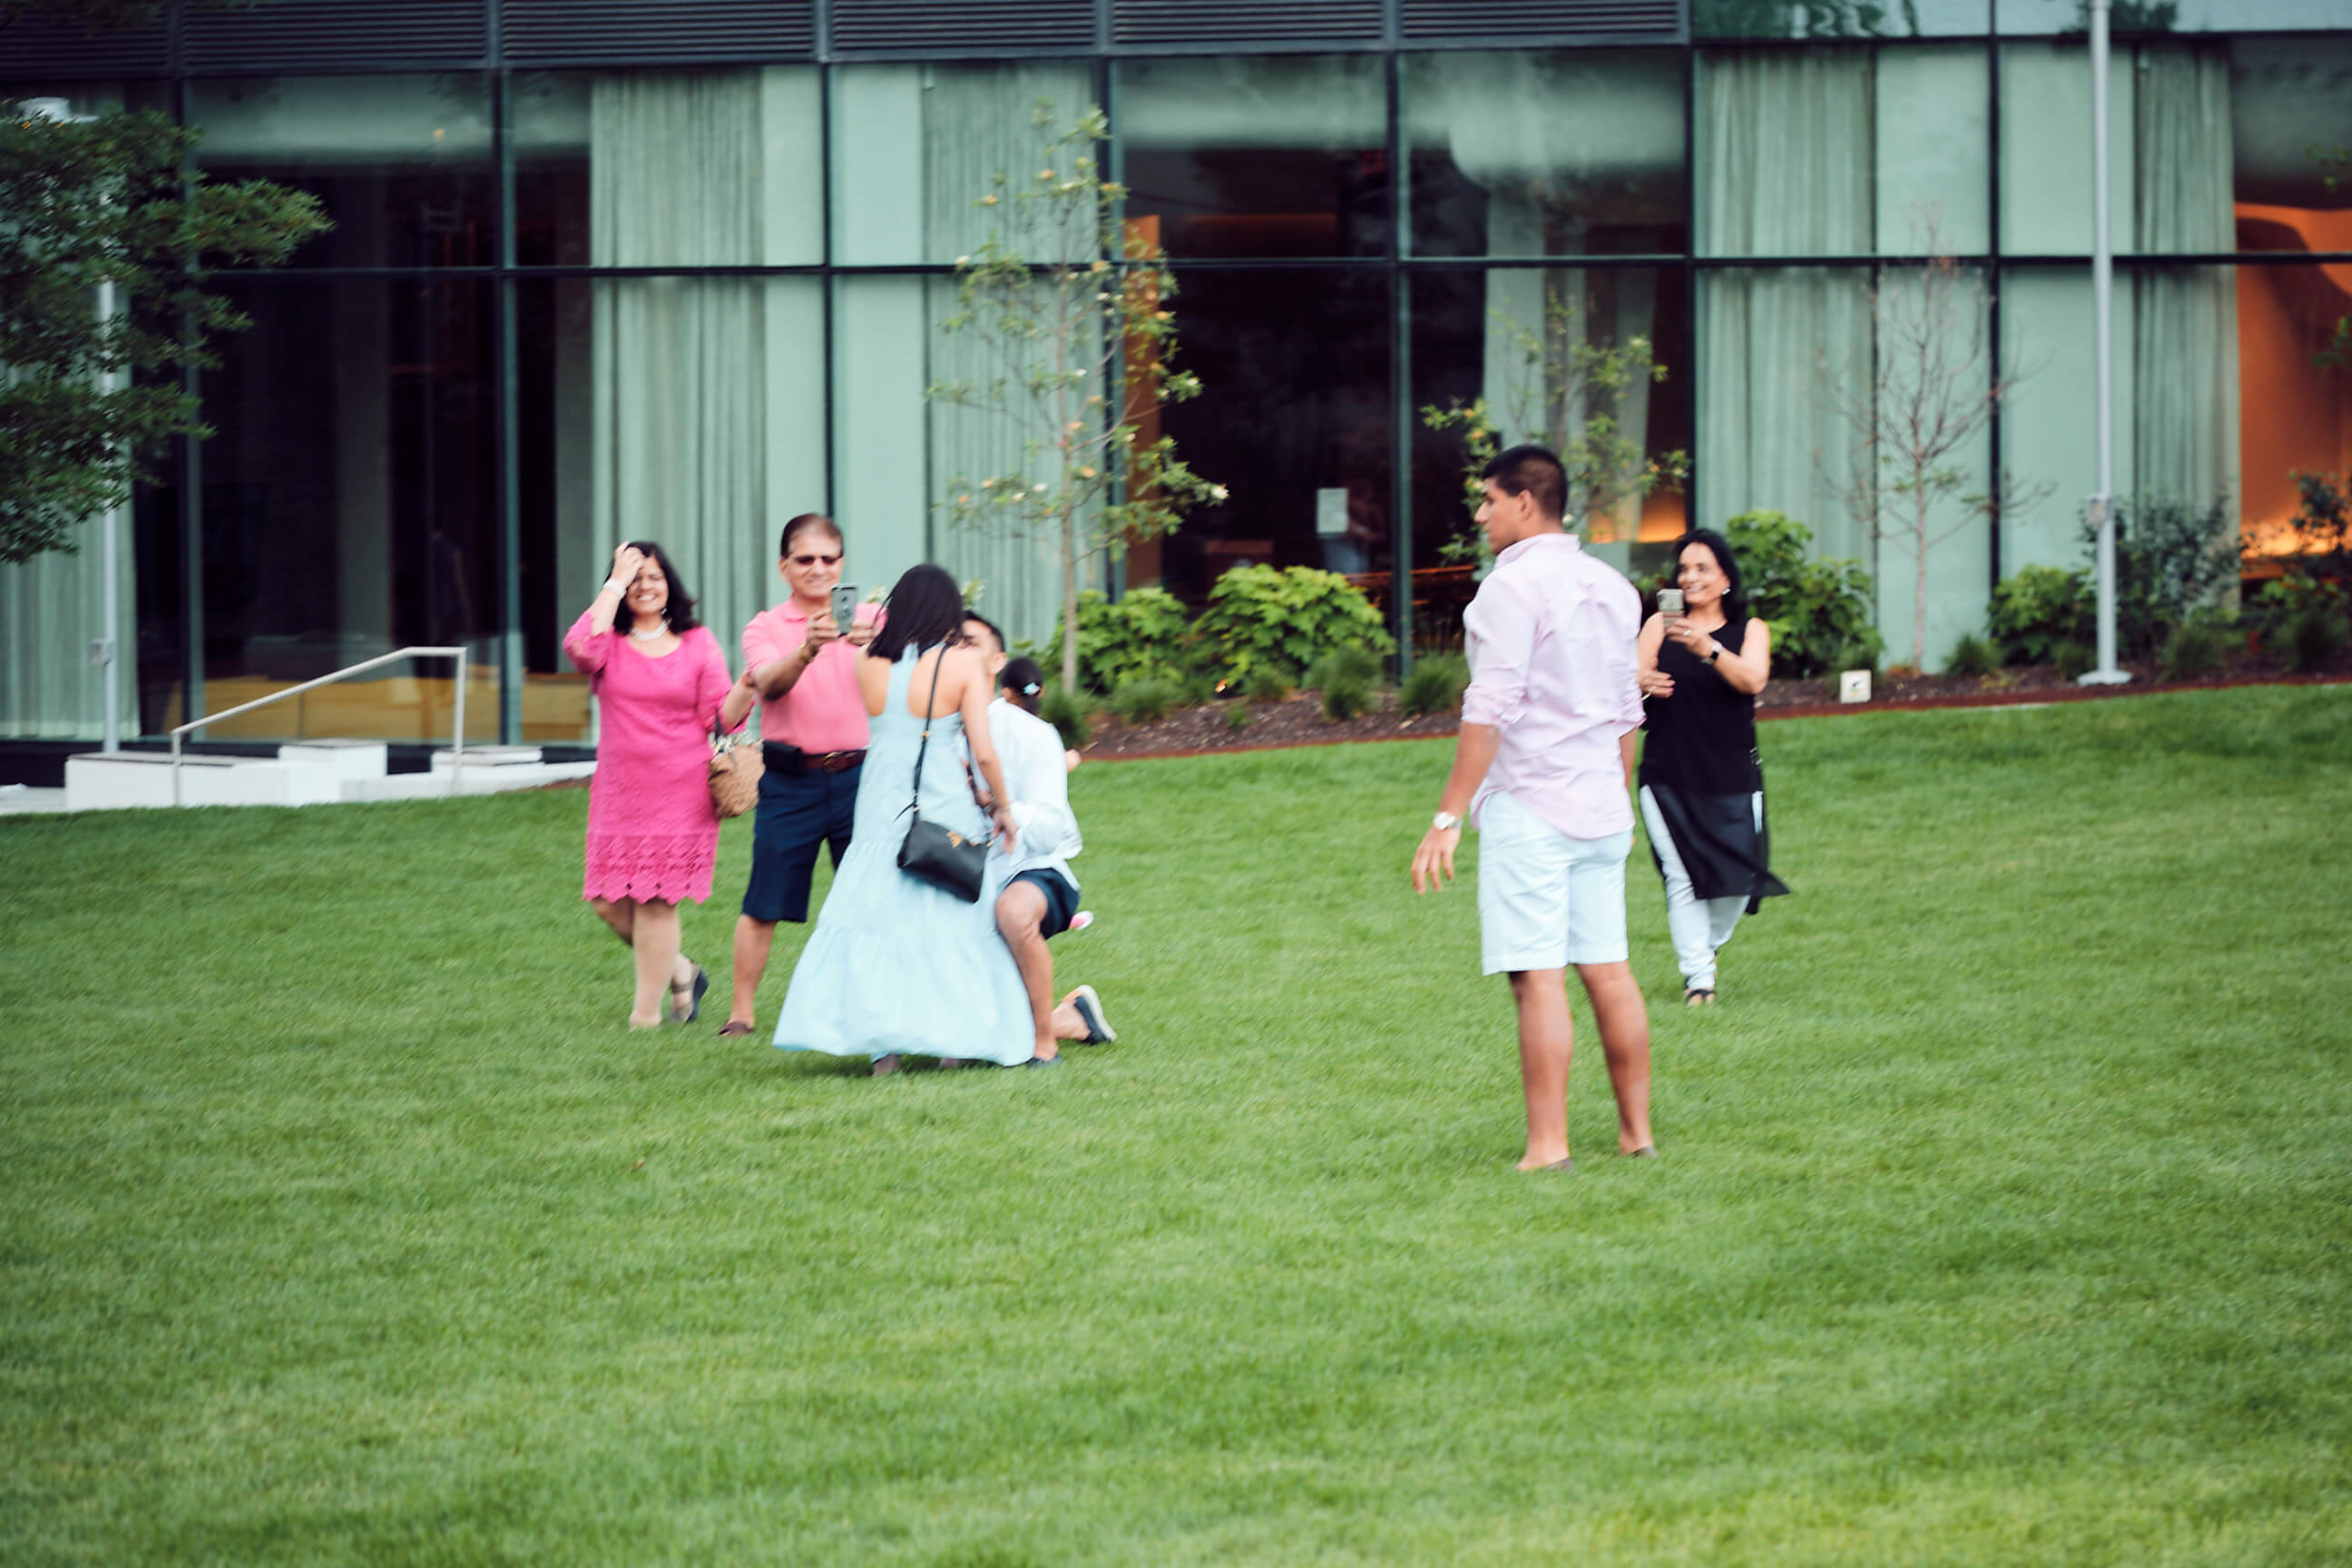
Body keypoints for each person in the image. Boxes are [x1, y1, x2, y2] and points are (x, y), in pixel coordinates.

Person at [1410, 445, 1657, 1171]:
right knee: (1609, 970)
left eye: (1488, 500)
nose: (1481, 515)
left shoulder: (1507, 591)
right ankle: (1635, 1134)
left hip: (1534, 808)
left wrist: (1447, 817)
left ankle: (1548, 1148)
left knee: (1538, 978)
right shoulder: (1613, 587)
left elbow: (1488, 710)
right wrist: (1618, 798)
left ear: (1525, 501)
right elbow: (1626, 711)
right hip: (1600, 806)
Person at [770, 564, 1040, 1072]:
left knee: (878, 912)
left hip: (879, 795)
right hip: (939, 796)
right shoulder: (962, 662)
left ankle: (883, 1050)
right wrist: (1002, 806)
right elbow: (983, 752)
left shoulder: (866, 659)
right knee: (949, 914)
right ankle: (951, 1046)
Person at [565, 541, 760, 1029]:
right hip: (620, 792)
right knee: (607, 902)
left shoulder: (697, 643)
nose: (644, 585)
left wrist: (749, 685)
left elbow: (721, 718)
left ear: (669, 583)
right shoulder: (606, 641)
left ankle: (645, 1017)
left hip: (681, 790)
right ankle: (680, 970)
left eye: (653, 576)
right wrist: (614, 579)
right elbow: (579, 648)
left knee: (655, 900)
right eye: (633, 578)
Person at [719, 514, 878, 1038]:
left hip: (863, 778)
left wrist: (875, 649)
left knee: (873, 900)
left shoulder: (874, 620)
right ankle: (742, 1013)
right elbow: (769, 684)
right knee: (765, 900)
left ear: (843, 564)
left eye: (828, 559)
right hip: (791, 780)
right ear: (784, 566)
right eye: (805, 559)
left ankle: (875, 1005)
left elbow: (912, 682)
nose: (817, 569)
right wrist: (809, 648)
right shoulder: (765, 627)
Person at [1634, 528, 1789, 1005]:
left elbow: (1753, 679)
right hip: (1666, 774)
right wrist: (1640, 684)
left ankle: (1708, 946)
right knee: (1682, 876)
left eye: (1702, 567)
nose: (1691, 576)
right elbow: (1626, 694)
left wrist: (1709, 649)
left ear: (1725, 577)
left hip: (1731, 776)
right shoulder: (1658, 626)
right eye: (1684, 568)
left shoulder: (1751, 631)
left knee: (1737, 883)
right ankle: (1698, 979)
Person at [983, 655, 1116, 1062]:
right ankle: (1070, 1018)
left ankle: (1045, 1041)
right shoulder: (945, 726)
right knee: (981, 1035)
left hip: (1034, 870)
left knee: (1012, 910)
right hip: (963, 867)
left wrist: (1002, 808)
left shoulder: (1036, 736)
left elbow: (1050, 831)